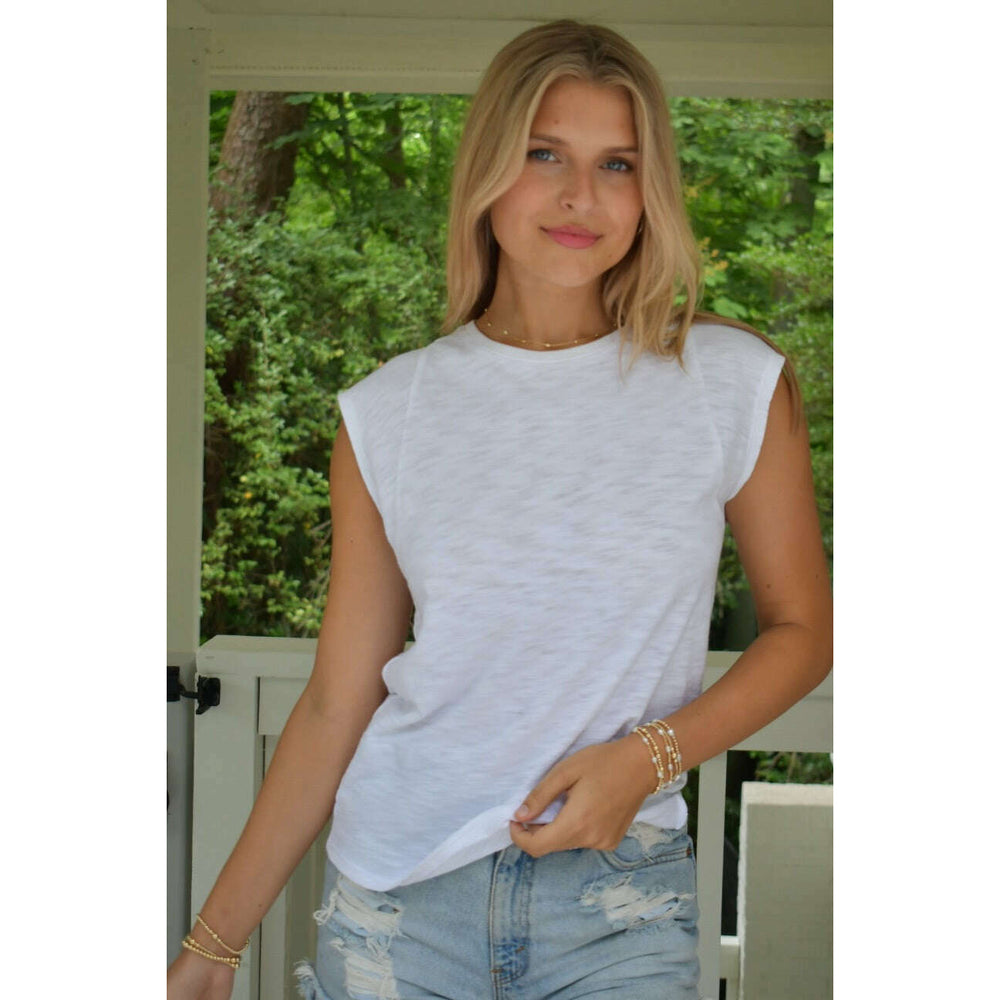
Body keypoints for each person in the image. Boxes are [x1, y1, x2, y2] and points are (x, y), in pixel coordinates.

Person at [167, 18, 832, 1000]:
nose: (580, 196)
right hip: (398, 910)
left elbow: (804, 633)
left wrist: (646, 760)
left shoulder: (730, 383)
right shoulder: (390, 411)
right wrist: (213, 947)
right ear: (486, 169)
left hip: (617, 907)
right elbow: (337, 701)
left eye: (616, 164)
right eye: (543, 154)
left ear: (649, 189)